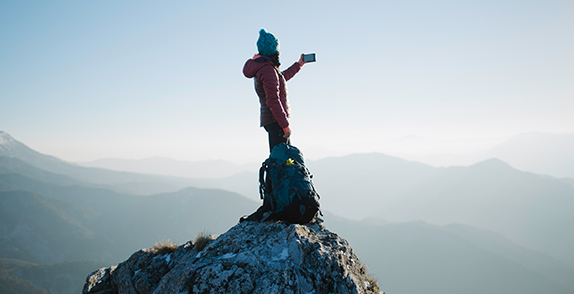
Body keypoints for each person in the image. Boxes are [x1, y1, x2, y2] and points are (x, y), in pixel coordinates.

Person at [243, 28, 308, 152]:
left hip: (273, 120)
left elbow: (281, 79)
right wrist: (285, 126)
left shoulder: (264, 68)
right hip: (276, 121)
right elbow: (273, 100)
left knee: (281, 158)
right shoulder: (267, 69)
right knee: (282, 161)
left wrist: (298, 64)